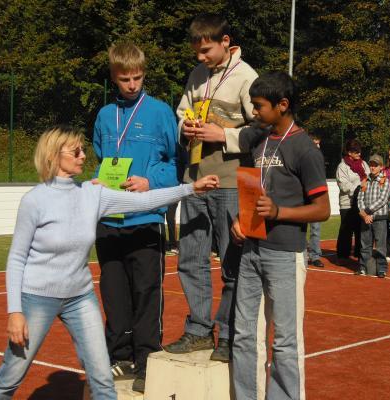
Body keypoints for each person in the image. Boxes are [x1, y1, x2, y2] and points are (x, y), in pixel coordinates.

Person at [0, 126, 219, 399]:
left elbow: (145, 201)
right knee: (10, 377)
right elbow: (16, 258)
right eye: (76, 151)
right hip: (37, 297)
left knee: (103, 378)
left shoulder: (92, 194)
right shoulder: (34, 201)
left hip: (80, 298)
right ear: (54, 156)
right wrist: (15, 311)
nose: (84, 156)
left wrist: (190, 188)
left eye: (83, 150)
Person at [163, 13, 258, 362]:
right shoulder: (196, 75)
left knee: (233, 264)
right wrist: (184, 129)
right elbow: (181, 113)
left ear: (225, 42)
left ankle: (230, 336)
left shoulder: (247, 77)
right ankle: (199, 331)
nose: (201, 57)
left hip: (232, 182)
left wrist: (224, 135)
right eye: (197, 52)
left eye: (206, 51)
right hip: (195, 181)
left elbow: (262, 128)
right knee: (190, 260)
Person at [230, 71, 330, 400]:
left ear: (282, 105)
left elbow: (322, 209)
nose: (253, 112)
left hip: (285, 254)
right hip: (251, 250)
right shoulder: (259, 140)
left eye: (259, 106)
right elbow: (251, 191)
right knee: (245, 335)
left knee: (285, 341)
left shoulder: (305, 149)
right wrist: (240, 219)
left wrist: (279, 213)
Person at [92, 42, 179, 392]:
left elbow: (176, 164)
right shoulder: (104, 116)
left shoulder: (160, 112)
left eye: (137, 78)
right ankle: (118, 357)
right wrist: (99, 181)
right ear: (114, 77)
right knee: (114, 295)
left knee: (146, 294)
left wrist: (150, 181)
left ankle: (146, 360)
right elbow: (101, 158)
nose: (132, 85)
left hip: (145, 218)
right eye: (125, 79)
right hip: (109, 219)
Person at [356, 154, 390, 278]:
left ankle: (381, 269)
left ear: (381, 167)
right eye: (371, 164)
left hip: (379, 218)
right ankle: (363, 268)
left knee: (380, 246)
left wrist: (367, 211)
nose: (372, 167)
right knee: (365, 245)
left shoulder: (385, 181)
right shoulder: (365, 181)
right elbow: (360, 198)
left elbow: (382, 199)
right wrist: (364, 214)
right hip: (365, 219)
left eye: (375, 165)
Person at [335, 139, 369, 263]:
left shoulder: (364, 164)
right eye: (356, 151)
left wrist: (366, 183)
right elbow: (344, 186)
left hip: (361, 203)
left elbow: (368, 177)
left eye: (359, 151)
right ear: (349, 152)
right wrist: (360, 186)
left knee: (360, 229)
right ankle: (343, 255)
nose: (359, 153)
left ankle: (360, 253)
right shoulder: (342, 166)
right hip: (347, 203)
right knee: (346, 230)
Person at [308, 132, 325, 267]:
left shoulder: (319, 158)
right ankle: (300, 254)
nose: (318, 146)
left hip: (315, 197)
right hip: (302, 197)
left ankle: (315, 256)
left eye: (319, 144)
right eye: (315, 144)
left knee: (316, 228)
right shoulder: (300, 157)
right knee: (299, 228)